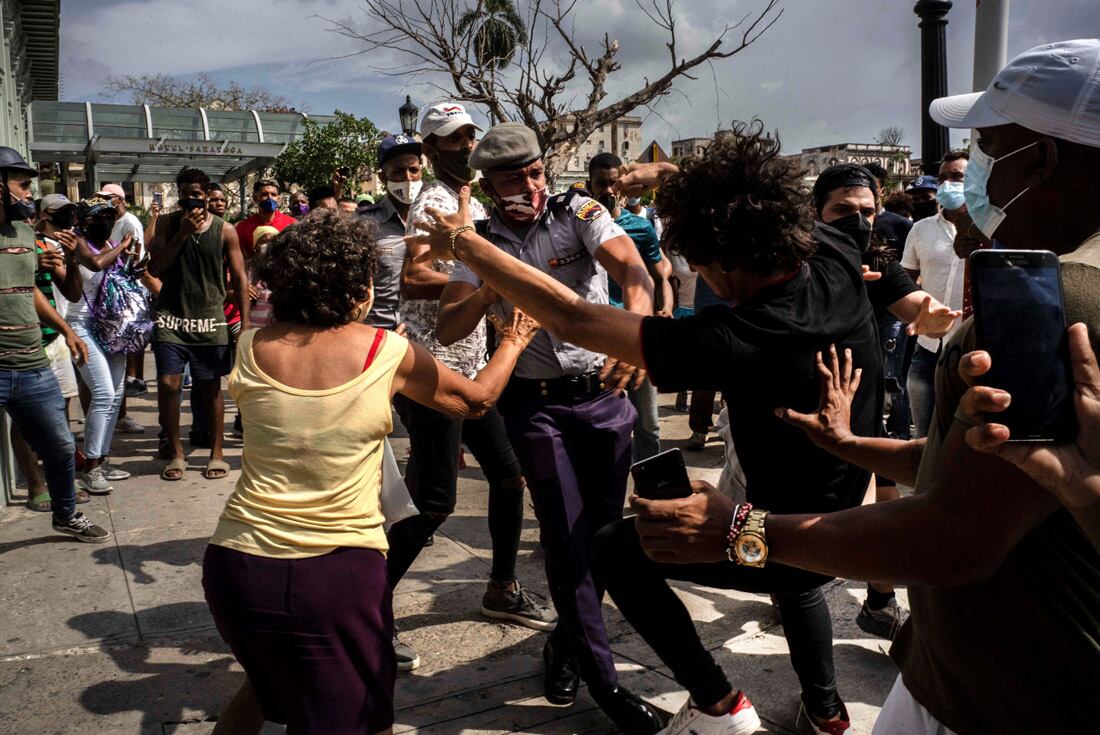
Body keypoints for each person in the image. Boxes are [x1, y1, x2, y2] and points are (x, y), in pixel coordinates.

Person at [584, 42, 1100, 733]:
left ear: (1038, 163)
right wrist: (858, 445)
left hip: (1010, 694)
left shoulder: (1060, 302)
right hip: (964, 672)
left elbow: (952, 536)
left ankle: (755, 705)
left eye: (987, 149)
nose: (974, 173)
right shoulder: (1052, 281)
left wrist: (737, 528)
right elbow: (990, 472)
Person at [413, 122, 895, 735]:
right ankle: (826, 713)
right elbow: (736, 196)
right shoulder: (832, 250)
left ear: (720, 262)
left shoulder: (734, 340)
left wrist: (468, 246)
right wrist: (667, 174)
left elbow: (569, 315)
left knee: (616, 548)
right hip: (836, 512)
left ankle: (718, 705)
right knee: (795, 588)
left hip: (781, 536)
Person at [202, 208, 541, 735]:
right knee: (362, 718)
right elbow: (474, 402)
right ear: (359, 288)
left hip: (237, 567)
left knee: (269, 690)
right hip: (336, 575)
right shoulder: (388, 351)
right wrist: (516, 340)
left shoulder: (249, 345)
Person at [432, 122, 664, 733]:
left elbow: (636, 276)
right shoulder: (476, 238)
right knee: (564, 537)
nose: (531, 185)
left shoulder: (578, 210)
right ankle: (604, 682)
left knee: (606, 538)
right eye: (515, 177)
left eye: (536, 172)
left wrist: (636, 339)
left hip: (604, 397)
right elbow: (450, 330)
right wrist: (490, 281)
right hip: (534, 409)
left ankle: (566, 643)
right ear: (487, 183)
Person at [394, 105, 553, 673]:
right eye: (452, 139)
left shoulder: (476, 200)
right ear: (431, 149)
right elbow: (413, 277)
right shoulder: (435, 200)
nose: (465, 145)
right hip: (433, 365)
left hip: (474, 364)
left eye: (470, 135)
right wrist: (486, 276)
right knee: (434, 500)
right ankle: (365, 607)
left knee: (508, 478)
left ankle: (502, 589)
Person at [0, 146, 106, 542]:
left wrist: (67, 329)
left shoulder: (24, 235)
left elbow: (30, 291)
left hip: (31, 363)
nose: (29, 195)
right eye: (23, 186)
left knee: (61, 447)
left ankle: (66, 515)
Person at [148, 167, 249, 482]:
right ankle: (176, 452)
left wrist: (245, 325)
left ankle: (216, 452)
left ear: (207, 195)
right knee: (168, 384)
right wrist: (182, 234)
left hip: (209, 318)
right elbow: (156, 268)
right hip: (171, 317)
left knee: (209, 388)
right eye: (185, 193)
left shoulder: (225, 230)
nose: (190, 200)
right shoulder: (166, 224)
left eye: (197, 194)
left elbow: (242, 279)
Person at [587, 152, 673, 462]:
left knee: (648, 423)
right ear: (589, 185)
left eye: (614, 184)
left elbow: (658, 272)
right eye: (601, 185)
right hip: (597, 341)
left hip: (638, 337)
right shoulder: (576, 226)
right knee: (604, 423)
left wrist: (664, 306)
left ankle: (650, 492)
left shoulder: (640, 227)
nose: (608, 191)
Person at [14, 194, 88, 512]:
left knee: (58, 415)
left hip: (52, 341)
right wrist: (28, 267)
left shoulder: (47, 248)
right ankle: (35, 484)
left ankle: (61, 479)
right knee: (25, 419)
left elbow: (71, 292)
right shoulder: (14, 249)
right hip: (20, 347)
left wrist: (71, 260)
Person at [65, 197, 139, 494]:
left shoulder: (109, 244)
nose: (106, 222)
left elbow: (115, 275)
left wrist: (131, 260)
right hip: (81, 324)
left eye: (110, 216)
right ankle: (91, 467)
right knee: (103, 392)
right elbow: (94, 264)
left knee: (116, 393)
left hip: (109, 325)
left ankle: (102, 458)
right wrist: (123, 246)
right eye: (99, 217)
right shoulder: (78, 242)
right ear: (83, 221)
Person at [902, 150, 969, 438]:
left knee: (964, 437)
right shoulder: (920, 230)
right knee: (925, 436)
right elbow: (904, 280)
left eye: (957, 177)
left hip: (973, 346)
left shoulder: (994, 230)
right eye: (942, 178)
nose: (948, 185)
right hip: (928, 347)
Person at [862, 162, 916, 441]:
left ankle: (899, 428)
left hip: (891, 314)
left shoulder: (900, 225)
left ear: (881, 189)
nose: (858, 219)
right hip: (859, 314)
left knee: (893, 374)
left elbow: (909, 272)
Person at [360, 133, 422, 332]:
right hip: (378, 334)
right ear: (382, 177)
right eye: (398, 171)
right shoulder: (363, 225)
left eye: (414, 170)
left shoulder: (437, 218)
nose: (408, 178)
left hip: (426, 336)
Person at [235, 179, 296, 261]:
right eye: (264, 194)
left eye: (273, 194)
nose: (269, 198)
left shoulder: (291, 224)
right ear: (255, 198)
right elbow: (239, 259)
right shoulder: (243, 227)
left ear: (279, 199)